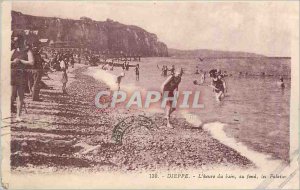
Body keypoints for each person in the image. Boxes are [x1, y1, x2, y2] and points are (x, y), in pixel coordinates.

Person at [11, 34, 35, 121]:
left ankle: (18, 116)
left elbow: (32, 62)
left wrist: (20, 60)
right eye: (15, 41)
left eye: (17, 41)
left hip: (22, 75)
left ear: (21, 42)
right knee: (11, 95)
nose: (15, 43)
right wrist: (12, 62)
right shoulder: (13, 51)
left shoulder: (27, 51)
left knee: (20, 96)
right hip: (12, 74)